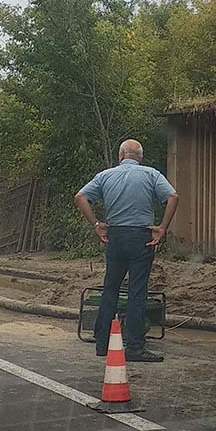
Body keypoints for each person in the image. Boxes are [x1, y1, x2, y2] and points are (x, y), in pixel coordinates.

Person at [75, 139, 179, 363]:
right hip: (141, 237)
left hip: (116, 236)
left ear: (121, 155)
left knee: (110, 288)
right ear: (140, 157)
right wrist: (162, 228)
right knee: (137, 292)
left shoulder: (105, 176)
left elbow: (80, 197)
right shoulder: (151, 174)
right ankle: (134, 347)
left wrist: (96, 225)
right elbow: (173, 196)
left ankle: (102, 344)